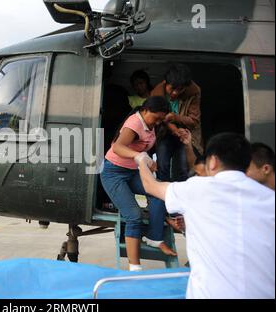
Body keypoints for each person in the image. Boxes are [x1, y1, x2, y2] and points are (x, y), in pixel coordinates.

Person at [136, 132, 275, 298]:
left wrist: (142, 162)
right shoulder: (270, 198)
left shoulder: (196, 189)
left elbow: (151, 186)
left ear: (213, 161)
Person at [100, 96, 177, 272]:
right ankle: (134, 267)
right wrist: (138, 156)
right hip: (114, 173)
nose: (157, 122)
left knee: (159, 193)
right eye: (156, 117)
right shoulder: (134, 124)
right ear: (145, 110)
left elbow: (145, 146)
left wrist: (150, 161)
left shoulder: (151, 124)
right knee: (133, 215)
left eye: (160, 119)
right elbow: (118, 147)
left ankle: (154, 238)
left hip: (133, 171)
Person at [151, 63, 203, 182]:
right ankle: (163, 198)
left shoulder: (194, 92)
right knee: (162, 166)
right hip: (165, 133)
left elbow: (194, 120)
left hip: (186, 134)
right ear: (166, 83)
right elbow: (159, 118)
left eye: (180, 89)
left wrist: (176, 118)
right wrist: (174, 129)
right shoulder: (157, 93)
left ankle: (182, 197)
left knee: (183, 169)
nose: (175, 93)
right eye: (172, 88)